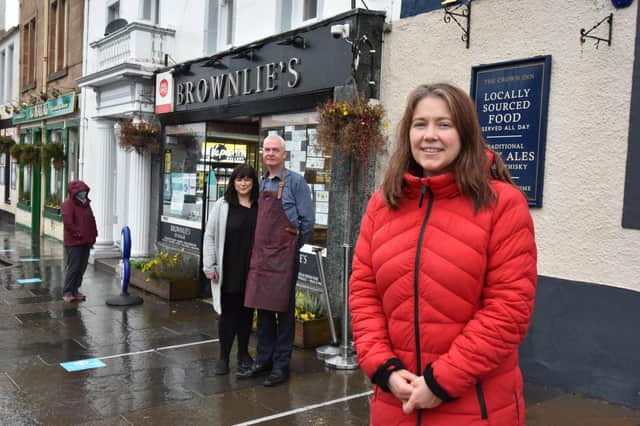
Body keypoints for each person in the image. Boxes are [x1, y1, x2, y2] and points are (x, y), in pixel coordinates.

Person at [349, 83, 537, 425]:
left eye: (444, 124)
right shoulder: (383, 204)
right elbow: (364, 292)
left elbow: (509, 308)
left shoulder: (503, 204)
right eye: (420, 124)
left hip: (475, 408)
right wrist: (384, 369)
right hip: (396, 404)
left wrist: (441, 381)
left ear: (465, 132)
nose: (430, 135)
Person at [239, 134, 315, 386]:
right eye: (267, 149)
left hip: (284, 258)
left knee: (283, 312)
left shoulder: (296, 183)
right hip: (262, 257)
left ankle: (281, 366)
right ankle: (263, 360)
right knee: (262, 311)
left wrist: (291, 248)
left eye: (275, 150)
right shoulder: (259, 183)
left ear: (284, 155)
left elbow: (307, 223)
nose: (270, 153)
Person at [202, 164, 259, 376]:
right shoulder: (222, 205)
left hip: (251, 269)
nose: (243, 183)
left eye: (247, 179)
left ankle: (243, 355)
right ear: (233, 182)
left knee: (246, 314)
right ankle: (223, 357)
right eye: (239, 179)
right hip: (228, 267)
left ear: (253, 183)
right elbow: (209, 236)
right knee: (228, 315)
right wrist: (210, 265)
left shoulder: (259, 206)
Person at [61, 180, 98, 304]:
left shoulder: (86, 204)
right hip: (74, 242)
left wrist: (94, 234)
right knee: (74, 266)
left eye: (84, 191)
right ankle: (67, 292)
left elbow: (91, 220)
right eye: (80, 191)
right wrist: (79, 235)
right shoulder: (67, 204)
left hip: (86, 241)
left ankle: (75, 290)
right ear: (74, 193)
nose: (83, 193)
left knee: (82, 267)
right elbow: (68, 223)